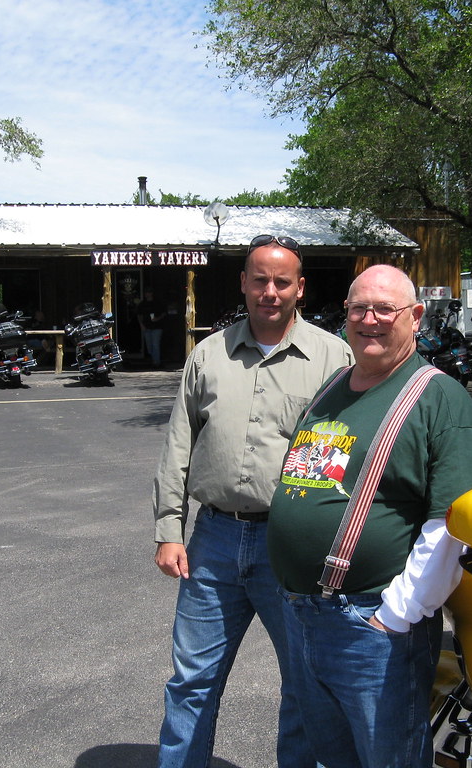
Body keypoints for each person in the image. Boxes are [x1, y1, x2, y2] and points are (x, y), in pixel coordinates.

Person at [268, 264, 472, 768]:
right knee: (321, 757)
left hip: (370, 627)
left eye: (384, 309)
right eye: (358, 308)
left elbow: (450, 526)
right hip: (302, 614)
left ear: (414, 317)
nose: (369, 319)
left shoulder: (440, 399)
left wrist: (396, 616)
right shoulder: (333, 388)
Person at [152, 234, 354, 768]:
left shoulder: (336, 358)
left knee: (303, 684)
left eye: (281, 281)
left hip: (291, 544)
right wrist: (169, 529)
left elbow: (348, 452)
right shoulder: (208, 354)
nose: (270, 291)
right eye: (259, 279)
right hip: (212, 543)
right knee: (192, 680)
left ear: (300, 288)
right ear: (243, 283)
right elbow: (179, 445)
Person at [137, 288, 167, 368]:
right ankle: (153, 359)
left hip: (157, 327)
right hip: (147, 327)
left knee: (155, 345)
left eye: (149, 292)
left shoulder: (157, 303)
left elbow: (164, 313)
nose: (147, 294)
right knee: (149, 346)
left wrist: (157, 318)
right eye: (146, 292)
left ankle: (156, 362)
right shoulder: (142, 304)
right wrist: (141, 325)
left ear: (152, 293)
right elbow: (139, 315)